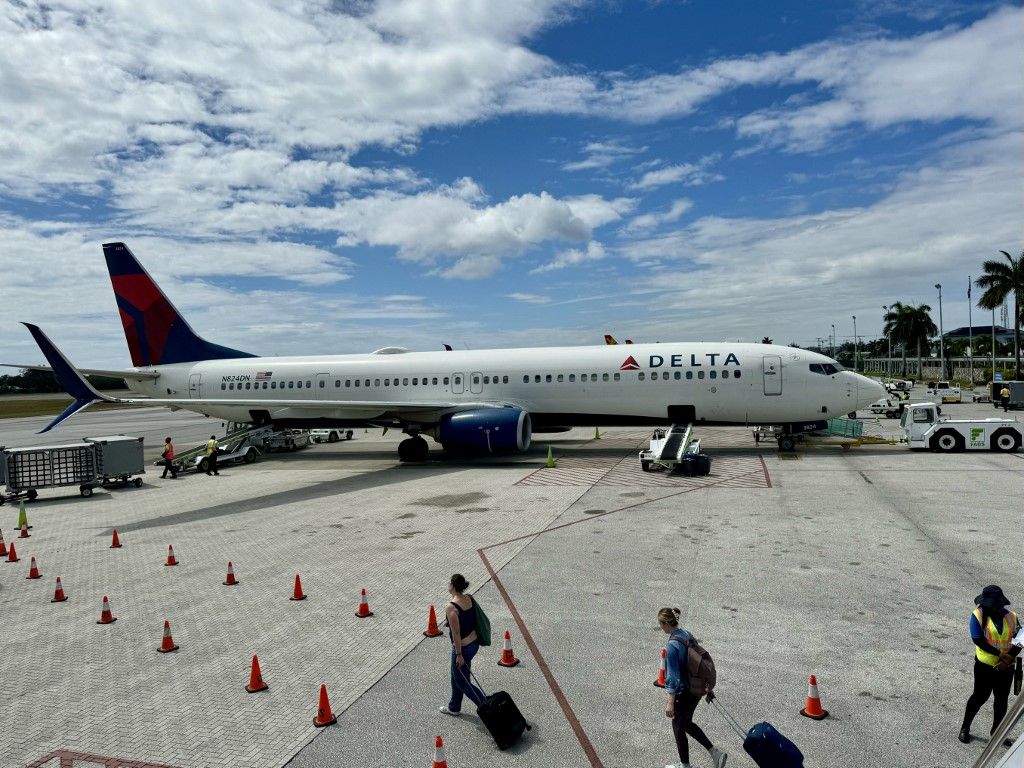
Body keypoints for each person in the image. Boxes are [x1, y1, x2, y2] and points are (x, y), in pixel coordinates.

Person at [659, 608, 727, 768]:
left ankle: (685, 765)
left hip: (684, 693)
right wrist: (707, 687)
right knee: (686, 723)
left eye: (660, 624)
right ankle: (714, 753)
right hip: (696, 689)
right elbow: (699, 662)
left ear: (666, 623)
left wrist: (670, 702)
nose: (660, 627)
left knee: (678, 727)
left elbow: (673, 678)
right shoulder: (686, 634)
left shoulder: (672, 646)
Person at [959, 585, 1020, 744]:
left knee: (1001, 700)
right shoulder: (978, 615)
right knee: (979, 697)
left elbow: (1020, 640)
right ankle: (965, 727)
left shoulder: (1012, 617)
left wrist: (1008, 658)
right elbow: (977, 639)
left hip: (1006, 668)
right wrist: (1000, 655)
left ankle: (997, 732)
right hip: (985, 667)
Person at [439, 573, 486, 716]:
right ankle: (454, 707)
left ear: (452, 586)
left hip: (463, 649)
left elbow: (456, 634)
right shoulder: (469, 598)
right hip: (474, 644)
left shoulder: (451, 607)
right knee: (457, 676)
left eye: (449, 583)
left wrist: (459, 654)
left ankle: (486, 706)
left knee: (463, 682)